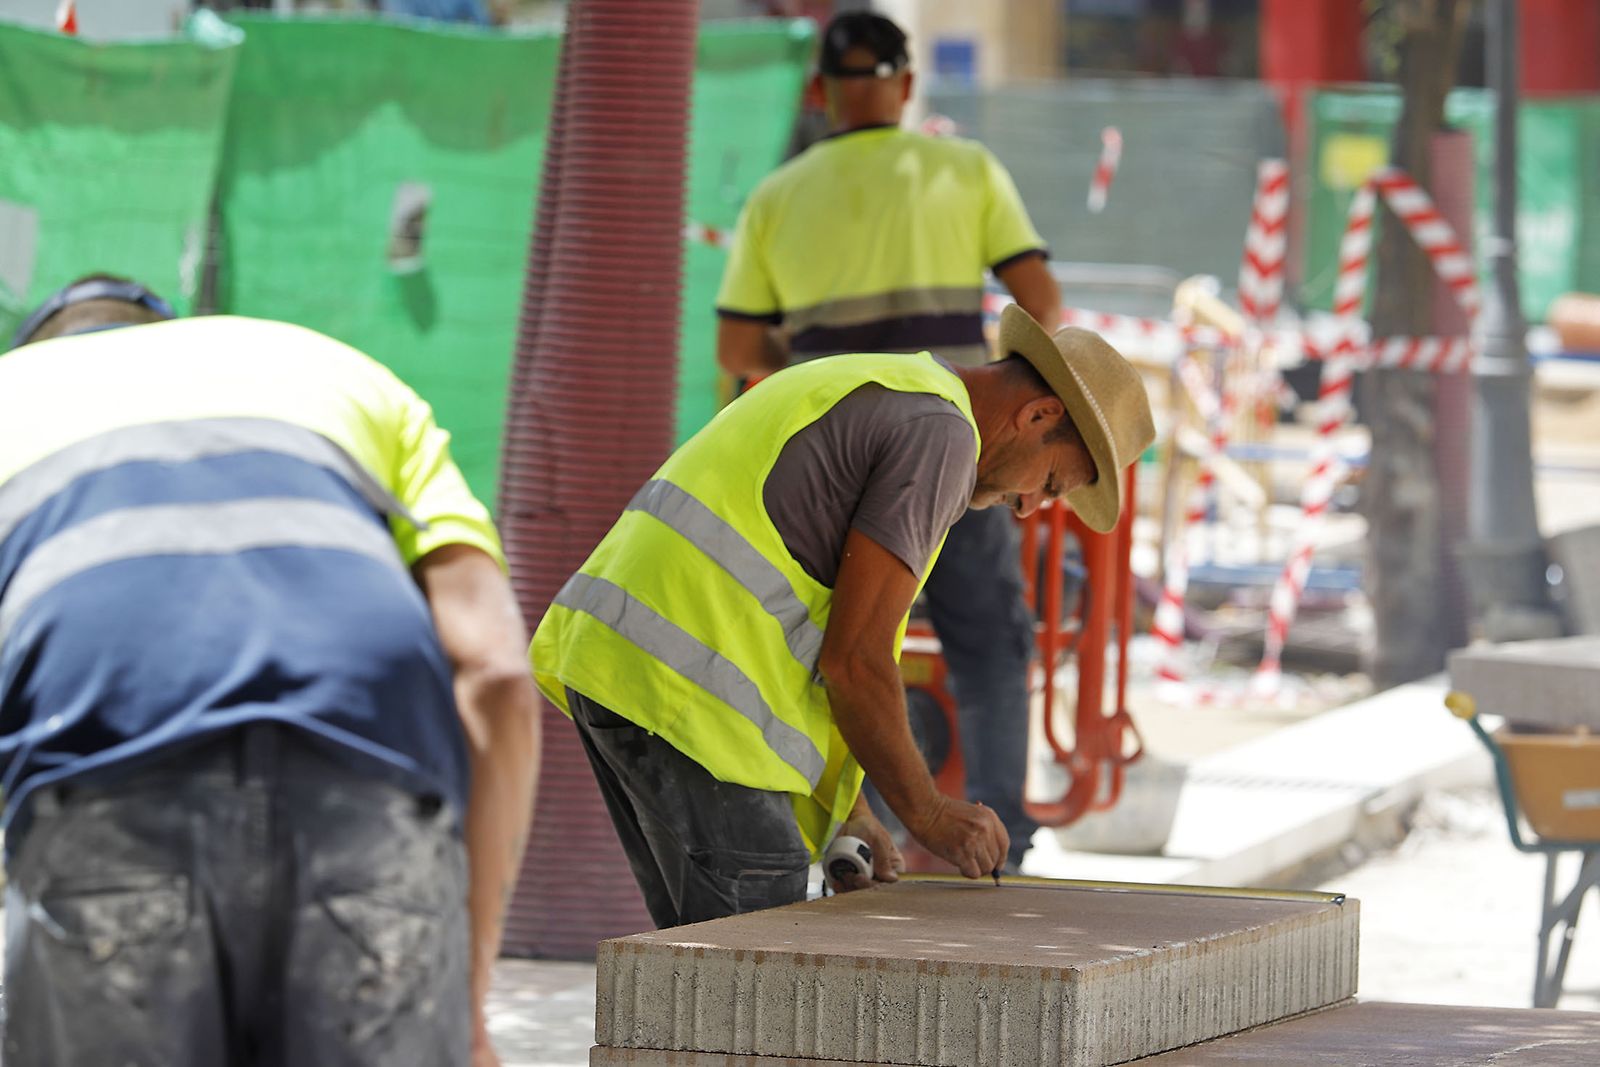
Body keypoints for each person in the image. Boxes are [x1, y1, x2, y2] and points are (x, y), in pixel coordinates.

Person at [0, 276, 540, 1067]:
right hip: (372, 793)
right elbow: (494, 671)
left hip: (103, 789)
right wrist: (466, 1000)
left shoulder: (13, 394)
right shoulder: (337, 371)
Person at [533, 303, 1154, 928]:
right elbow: (855, 662)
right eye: (1049, 482)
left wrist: (849, 812)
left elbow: (817, 639)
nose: (1026, 507)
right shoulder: (940, 436)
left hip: (627, 665)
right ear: (1040, 415)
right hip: (683, 694)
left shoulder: (895, 388)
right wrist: (929, 813)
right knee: (758, 962)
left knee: (701, 963)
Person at [714, 10, 1064, 871]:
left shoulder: (776, 195)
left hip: (830, 467)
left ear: (819, 90)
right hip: (962, 449)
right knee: (987, 637)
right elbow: (1042, 305)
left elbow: (737, 346)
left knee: (846, 645)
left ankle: (861, 836)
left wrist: (819, 376)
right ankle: (999, 843)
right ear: (906, 85)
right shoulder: (964, 169)